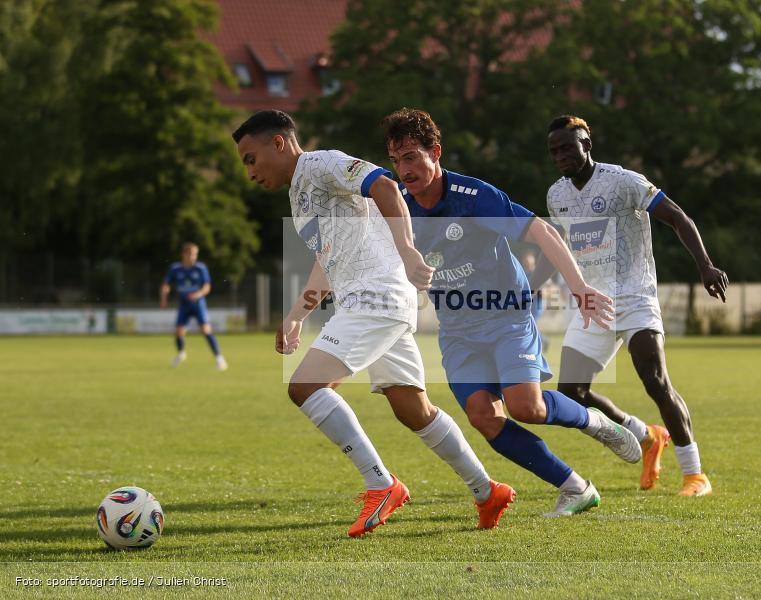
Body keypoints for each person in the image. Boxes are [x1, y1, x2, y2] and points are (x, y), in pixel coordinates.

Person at [231, 110, 515, 537]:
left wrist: (406, 250)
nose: (249, 172)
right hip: (369, 301)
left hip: (376, 296)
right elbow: (330, 261)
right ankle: (486, 490)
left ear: (278, 143)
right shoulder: (300, 195)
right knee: (413, 410)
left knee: (304, 386)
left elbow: (384, 185)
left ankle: (380, 484)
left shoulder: (321, 163)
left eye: (251, 158)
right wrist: (296, 316)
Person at [382, 108, 641, 518]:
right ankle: (575, 487)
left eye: (412, 157)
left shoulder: (474, 197)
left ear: (436, 153)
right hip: (457, 328)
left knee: (527, 408)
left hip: (506, 314)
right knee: (483, 417)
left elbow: (542, 231)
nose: (404, 170)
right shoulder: (398, 207)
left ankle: (596, 423)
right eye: (396, 161)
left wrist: (580, 287)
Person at [538, 114, 729, 496]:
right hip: (594, 303)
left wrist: (705, 266)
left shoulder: (623, 181)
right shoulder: (556, 195)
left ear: (586, 145)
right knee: (569, 394)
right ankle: (644, 436)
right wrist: (532, 287)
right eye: (554, 150)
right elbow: (559, 247)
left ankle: (695, 475)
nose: (560, 155)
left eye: (567, 147)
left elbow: (677, 217)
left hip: (635, 296)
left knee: (656, 382)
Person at [160, 242, 227, 371]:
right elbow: (166, 284)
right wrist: (164, 296)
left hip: (198, 305)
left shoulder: (200, 268)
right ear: (184, 254)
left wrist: (198, 294)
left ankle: (220, 360)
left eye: (195, 254)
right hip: (184, 306)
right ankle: (181, 354)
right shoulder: (175, 268)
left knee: (206, 330)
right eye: (190, 254)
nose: (193, 257)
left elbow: (207, 287)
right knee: (179, 332)